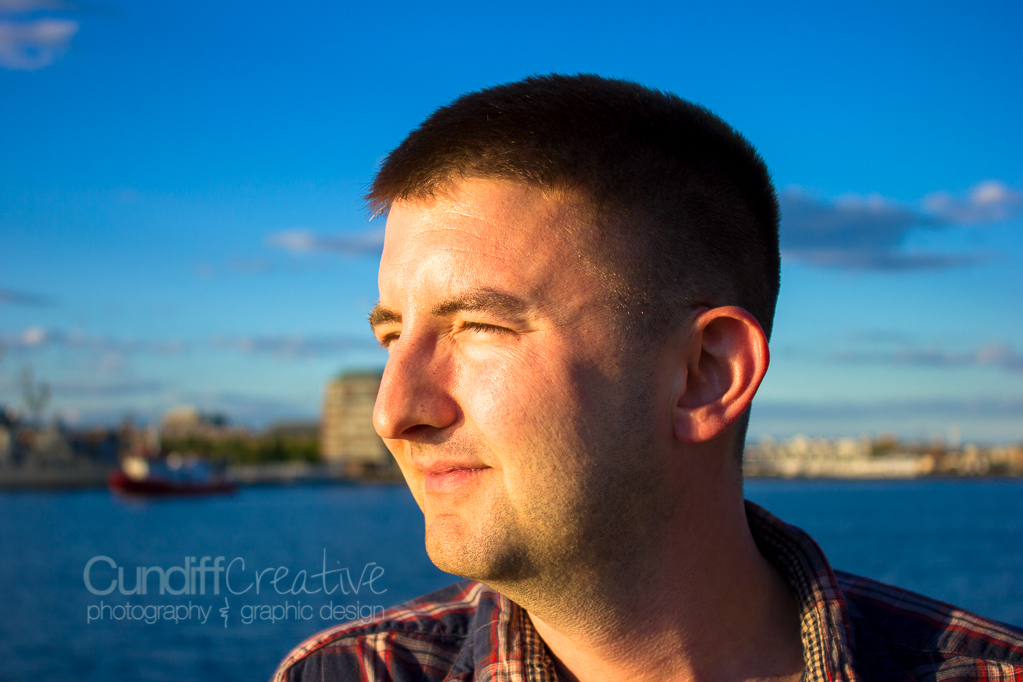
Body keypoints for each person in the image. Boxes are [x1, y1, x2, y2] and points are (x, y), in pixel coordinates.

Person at [273, 74, 1023, 682]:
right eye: (392, 336)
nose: (393, 412)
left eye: (480, 326)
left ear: (706, 374)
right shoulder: (349, 674)